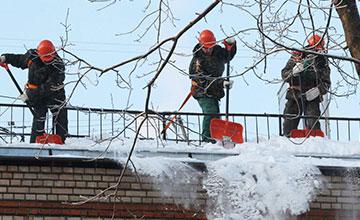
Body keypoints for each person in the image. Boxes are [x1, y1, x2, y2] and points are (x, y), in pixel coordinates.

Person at [0, 40, 68, 143]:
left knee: (60, 114)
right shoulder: (32, 57)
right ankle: (35, 143)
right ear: (39, 54)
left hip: (55, 94)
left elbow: (49, 87)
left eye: (49, 58)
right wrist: (6, 58)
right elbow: (19, 60)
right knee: (39, 117)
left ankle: (61, 141)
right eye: (44, 58)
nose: (47, 61)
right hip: (36, 94)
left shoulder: (58, 65)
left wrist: (29, 95)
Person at [189, 29, 237, 143]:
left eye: (211, 47)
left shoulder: (217, 51)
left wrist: (231, 46)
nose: (208, 49)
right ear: (201, 45)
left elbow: (227, 56)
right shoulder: (197, 60)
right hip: (201, 91)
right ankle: (206, 139)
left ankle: (216, 139)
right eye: (206, 47)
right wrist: (221, 82)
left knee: (216, 115)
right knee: (210, 111)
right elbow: (203, 80)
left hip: (215, 91)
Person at [281, 34, 331, 137]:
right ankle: (287, 141)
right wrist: (293, 72)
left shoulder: (322, 61)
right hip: (294, 95)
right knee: (289, 124)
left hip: (312, 96)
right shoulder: (297, 56)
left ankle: (315, 144)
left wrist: (318, 90)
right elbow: (284, 75)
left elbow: (326, 83)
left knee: (313, 126)